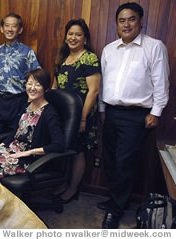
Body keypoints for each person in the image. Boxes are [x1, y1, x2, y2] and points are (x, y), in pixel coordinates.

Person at [99, 2, 169, 229]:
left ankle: (116, 210)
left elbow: (161, 83)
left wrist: (156, 112)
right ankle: (116, 199)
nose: (126, 24)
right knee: (110, 160)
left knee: (124, 163)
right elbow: (104, 83)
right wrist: (102, 110)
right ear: (116, 24)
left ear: (141, 21)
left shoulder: (155, 47)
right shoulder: (109, 49)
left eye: (131, 19)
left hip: (136, 116)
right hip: (110, 112)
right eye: (122, 20)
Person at [0, 68, 64, 180]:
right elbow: (15, 131)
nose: (32, 88)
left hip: (30, 158)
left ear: (45, 88)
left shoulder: (49, 113)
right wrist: (1, 146)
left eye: (38, 85)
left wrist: (30, 152)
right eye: (29, 84)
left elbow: (59, 144)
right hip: (12, 149)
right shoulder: (26, 106)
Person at [51, 19, 101, 203]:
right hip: (62, 115)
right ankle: (64, 183)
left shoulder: (89, 58)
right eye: (70, 34)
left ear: (85, 39)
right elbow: (54, 88)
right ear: (66, 37)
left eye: (78, 34)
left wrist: (82, 118)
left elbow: (93, 90)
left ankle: (72, 189)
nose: (73, 37)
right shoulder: (62, 59)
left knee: (78, 151)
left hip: (82, 115)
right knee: (65, 149)